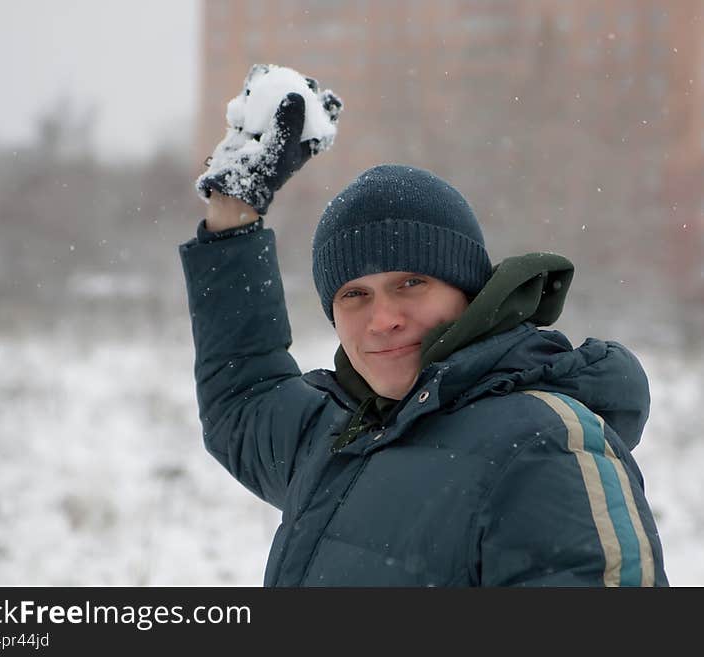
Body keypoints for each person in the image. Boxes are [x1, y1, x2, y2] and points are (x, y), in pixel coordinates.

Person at [179, 73, 668, 586]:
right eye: (354, 295)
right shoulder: (342, 436)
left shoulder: (543, 445)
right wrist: (232, 213)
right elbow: (244, 396)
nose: (383, 317)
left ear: (469, 291)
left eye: (411, 283)